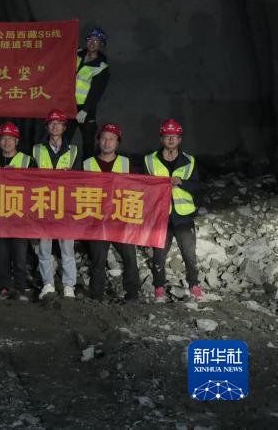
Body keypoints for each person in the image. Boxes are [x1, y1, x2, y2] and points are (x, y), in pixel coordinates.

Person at [145, 119, 205, 303]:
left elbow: (198, 186)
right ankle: (159, 289)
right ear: (161, 138)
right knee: (159, 254)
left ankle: (194, 286)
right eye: (167, 136)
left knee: (189, 254)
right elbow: (144, 187)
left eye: (174, 136)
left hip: (183, 215)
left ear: (180, 139)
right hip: (160, 215)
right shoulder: (150, 160)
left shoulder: (189, 161)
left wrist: (182, 182)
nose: (171, 139)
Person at [83, 123, 140, 303]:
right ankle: (96, 295)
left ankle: (132, 295)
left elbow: (139, 188)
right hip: (97, 221)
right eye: (104, 138)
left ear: (117, 142)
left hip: (120, 220)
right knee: (97, 260)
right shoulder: (87, 164)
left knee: (130, 258)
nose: (107, 142)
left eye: (112, 139)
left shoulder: (126, 164)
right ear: (98, 140)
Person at [32, 108, 80, 300]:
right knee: (44, 247)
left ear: (64, 127)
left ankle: (69, 286)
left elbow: (81, 179)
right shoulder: (37, 149)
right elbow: (29, 177)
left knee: (67, 248)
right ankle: (48, 284)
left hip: (65, 205)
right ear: (47, 126)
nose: (55, 126)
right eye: (52, 123)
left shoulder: (74, 150)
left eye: (58, 123)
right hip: (43, 203)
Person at [0, 122, 32, 301]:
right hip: (0, 215)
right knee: (2, 255)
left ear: (17, 141)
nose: (6, 142)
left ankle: (20, 290)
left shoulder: (27, 161)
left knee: (20, 256)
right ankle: (4, 289)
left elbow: (37, 186)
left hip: (20, 216)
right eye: (3, 138)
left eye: (10, 139)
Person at [66, 28, 110, 159]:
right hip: (68, 106)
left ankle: (87, 169)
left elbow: (96, 92)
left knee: (88, 143)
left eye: (96, 41)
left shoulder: (101, 67)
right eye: (90, 39)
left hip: (85, 110)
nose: (92, 42)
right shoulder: (77, 54)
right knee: (64, 140)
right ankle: (61, 167)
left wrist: (85, 110)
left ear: (101, 45)